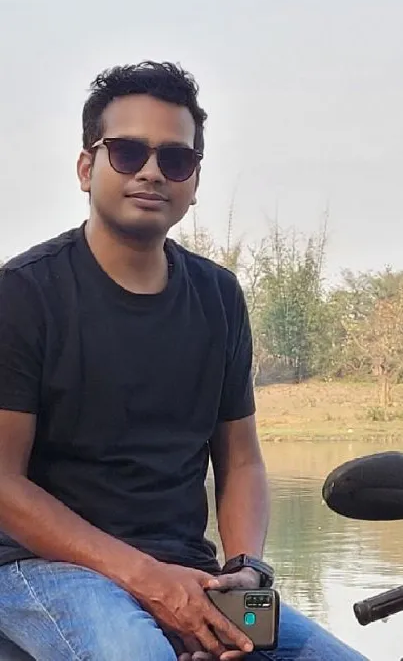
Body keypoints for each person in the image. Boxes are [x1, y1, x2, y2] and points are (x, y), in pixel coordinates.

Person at [0, 61, 368, 661]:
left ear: (193, 180)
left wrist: (246, 569)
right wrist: (146, 579)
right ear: (86, 167)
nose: (151, 172)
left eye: (176, 159)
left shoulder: (218, 296)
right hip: (39, 567)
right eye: (126, 152)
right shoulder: (23, 293)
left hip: (189, 573)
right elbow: (3, 484)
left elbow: (241, 458)